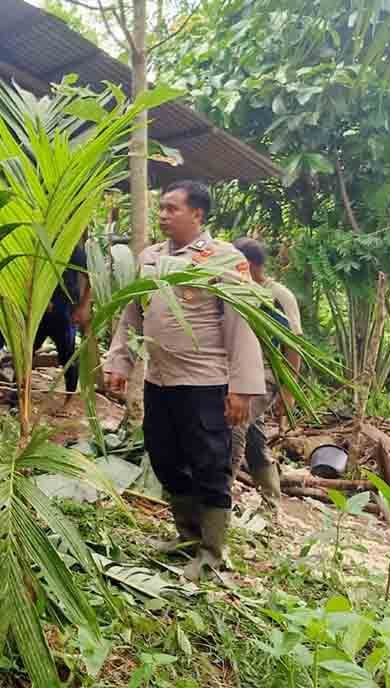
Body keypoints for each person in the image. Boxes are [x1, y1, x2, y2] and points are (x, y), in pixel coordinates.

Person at [104, 180, 266, 581]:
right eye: (160, 208)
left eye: (171, 209)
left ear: (198, 214)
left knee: (210, 464)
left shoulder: (223, 259)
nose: (162, 215)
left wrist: (242, 388)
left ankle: (212, 551)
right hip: (159, 380)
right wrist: (119, 363)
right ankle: (187, 535)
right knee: (164, 457)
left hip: (204, 382)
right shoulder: (151, 258)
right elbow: (131, 316)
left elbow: (241, 324)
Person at [0, 245, 91, 416]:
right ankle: (14, 400)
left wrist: (83, 306)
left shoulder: (71, 246)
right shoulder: (28, 243)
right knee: (24, 355)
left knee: (68, 357)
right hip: (33, 311)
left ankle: (69, 400)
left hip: (62, 311)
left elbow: (90, 278)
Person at [229, 237, 302, 509]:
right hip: (237, 372)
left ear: (247, 264)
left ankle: (220, 493)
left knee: (233, 425)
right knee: (253, 436)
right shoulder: (237, 289)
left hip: (266, 376)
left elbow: (293, 345)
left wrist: (288, 390)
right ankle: (272, 501)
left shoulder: (279, 296)